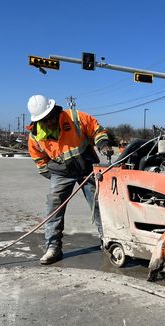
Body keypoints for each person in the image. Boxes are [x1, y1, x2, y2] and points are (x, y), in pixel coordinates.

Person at [26, 95, 112, 264]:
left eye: (50, 117)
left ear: (54, 110)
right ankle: (53, 248)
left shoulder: (74, 118)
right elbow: (40, 161)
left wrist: (102, 144)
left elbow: (97, 129)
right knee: (53, 206)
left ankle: (108, 240)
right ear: (38, 121)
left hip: (86, 166)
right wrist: (54, 178)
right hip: (61, 172)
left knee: (99, 204)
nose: (49, 122)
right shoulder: (35, 136)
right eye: (44, 120)